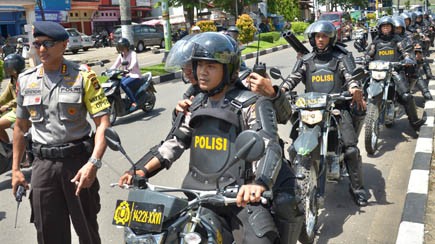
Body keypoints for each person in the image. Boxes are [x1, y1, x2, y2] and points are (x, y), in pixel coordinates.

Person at [120, 32, 303, 244]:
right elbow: (175, 142)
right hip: (200, 197)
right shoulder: (195, 103)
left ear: (228, 70)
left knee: (262, 239)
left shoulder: (251, 102)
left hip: (241, 200)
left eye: (211, 66)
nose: (202, 73)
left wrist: (259, 183)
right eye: (199, 66)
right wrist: (140, 170)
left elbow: (268, 143)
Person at [11, 21, 111, 244]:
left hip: (77, 164)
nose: (42, 50)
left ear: (65, 45)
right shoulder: (26, 80)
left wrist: (93, 163)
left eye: (48, 43)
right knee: (48, 233)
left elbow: (102, 123)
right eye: (37, 44)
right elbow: (19, 127)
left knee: (87, 232)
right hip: (43, 166)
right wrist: (16, 169)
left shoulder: (83, 76)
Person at [281, 20, 369, 206]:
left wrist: (353, 88)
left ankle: (357, 189)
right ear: (312, 39)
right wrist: (280, 91)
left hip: (337, 108)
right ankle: (295, 184)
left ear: (331, 38)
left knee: (351, 149)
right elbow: (292, 79)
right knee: (293, 147)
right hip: (311, 108)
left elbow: (351, 77)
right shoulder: (306, 60)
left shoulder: (340, 58)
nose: (320, 40)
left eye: (324, 36)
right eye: (316, 36)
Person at [366, 16, 426, 131]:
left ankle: (415, 122)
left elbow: (405, 51)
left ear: (392, 27)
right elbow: (370, 53)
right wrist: (366, 58)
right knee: (366, 89)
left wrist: (407, 59)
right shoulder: (376, 41)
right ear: (380, 28)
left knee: (406, 96)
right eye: (383, 27)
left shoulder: (397, 40)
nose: (386, 29)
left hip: (395, 71)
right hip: (379, 72)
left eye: (388, 26)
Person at [393, 15, 432, 101]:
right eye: (395, 28)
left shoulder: (407, 36)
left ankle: (425, 92)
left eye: (399, 28)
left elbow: (415, 44)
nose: (397, 30)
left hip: (403, 61)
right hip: (388, 63)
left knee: (414, 72)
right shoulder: (385, 38)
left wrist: (417, 52)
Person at [110, 38, 141, 112]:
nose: (121, 49)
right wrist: (108, 70)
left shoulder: (132, 53)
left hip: (135, 75)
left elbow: (134, 62)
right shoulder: (121, 55)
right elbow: (115, 65)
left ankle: (134, 102)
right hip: (126, 75)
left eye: (122, 47)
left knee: (123, 84)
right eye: (120, 48)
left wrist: (130, 68)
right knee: (117, 83)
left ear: (127, 47)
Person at [0, 54, 25, 143]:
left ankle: (12, 150)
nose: (7, 68)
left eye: (9, 66)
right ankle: (8, 147)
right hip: (15, 111)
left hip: (25, 112)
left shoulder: (25, 78)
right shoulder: (13, 79)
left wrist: (6, 106)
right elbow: (5, 96)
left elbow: (22, 97)